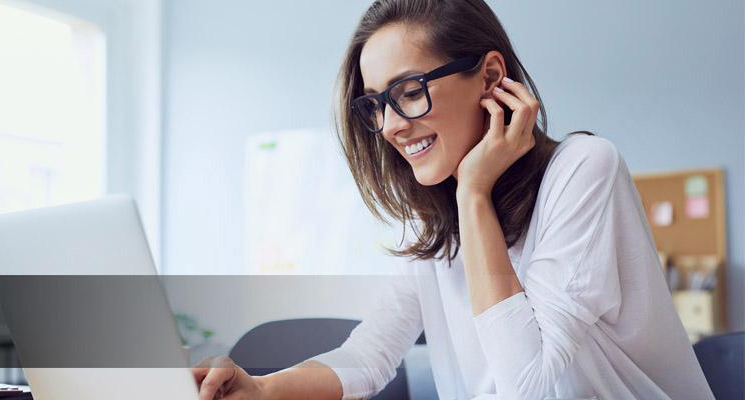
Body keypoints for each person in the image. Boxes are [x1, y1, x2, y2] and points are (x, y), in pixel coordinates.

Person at [191, 0, 714, 399]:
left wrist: (474, 191)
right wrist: (262, 389)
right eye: (375, 104)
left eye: (410, 90)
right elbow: (370, 355)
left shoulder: (583, 168)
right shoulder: (436, 224)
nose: (391, 125)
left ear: (490, 76)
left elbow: (525, 384)